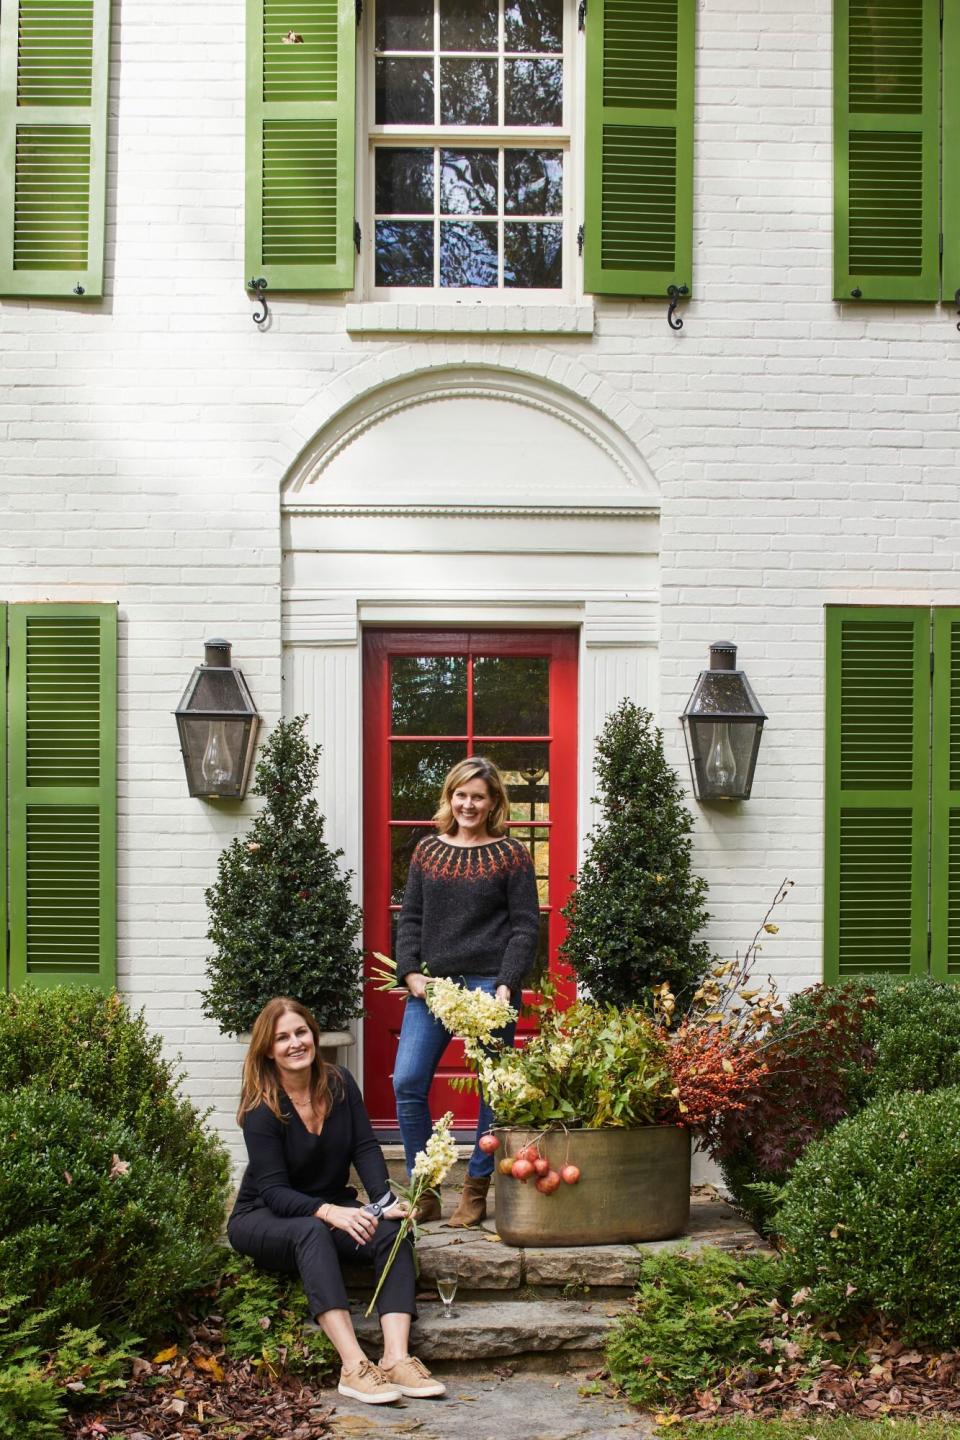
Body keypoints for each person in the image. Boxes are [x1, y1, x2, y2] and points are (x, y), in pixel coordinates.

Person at [228, 996, 446, 1406]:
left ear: (314, 1034)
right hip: (264, 1215)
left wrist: (384, 1202)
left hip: (332, 1207)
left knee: (392, 1233)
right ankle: (353, 1367)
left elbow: (364, 1147)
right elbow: (273, 1192)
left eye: (301, 1032)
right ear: (267, 1050)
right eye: (282, 1038)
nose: (295, 1043)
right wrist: (331, 1213)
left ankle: (396, 1357)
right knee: (312, 1231)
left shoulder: (340, 1083)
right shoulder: (262, 1108)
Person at [393, 756, 540, 1227]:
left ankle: (476, 1189)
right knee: (408, 1082)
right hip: (434, 986)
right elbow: (410, 917)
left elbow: (524, 928)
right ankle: (426, 1188)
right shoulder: (427, 852)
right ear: (449, 797)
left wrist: (506, 983)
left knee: (493, 1089)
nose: (468, 804)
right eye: (461, 794)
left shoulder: (512, 855)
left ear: (494, 800)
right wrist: (411, 973)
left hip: (489, 986)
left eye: (478, 796)